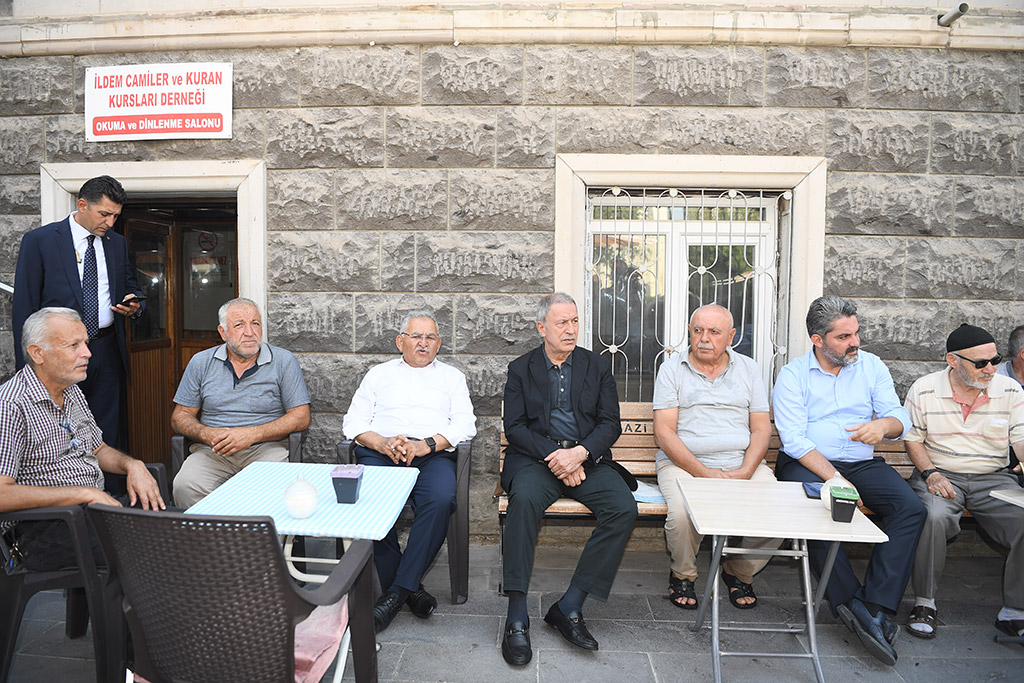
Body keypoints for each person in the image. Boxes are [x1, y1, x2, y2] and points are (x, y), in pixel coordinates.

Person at [772, 295, 925, 666]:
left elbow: (897, 416)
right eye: (843, 337)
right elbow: (794, 440)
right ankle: (848, 601)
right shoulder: (793, 375)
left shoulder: (871, 366)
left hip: (861, 461)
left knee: (911, 509)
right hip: (807, 464)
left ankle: (874, 605)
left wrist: (883, 426)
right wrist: (836, 479)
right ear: (817, 340)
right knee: (820, 510)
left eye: (856, 333)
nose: (854, 342)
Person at [500, 292, 637, 666]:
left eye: (575, 321)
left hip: (585, 460)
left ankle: (570, 606)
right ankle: (516, 614)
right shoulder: (521, 369)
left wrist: (579, 453)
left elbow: (610, 423)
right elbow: (514, 427)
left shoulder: (597, 366)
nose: (571, 329)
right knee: (524, 501)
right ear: (542, 327)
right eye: (562, 323)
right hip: (535, 460)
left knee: (623, 507)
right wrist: (556, 456)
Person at [342, 311, 476, 633]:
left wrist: (426, 445)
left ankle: (395, 594)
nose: (423, 343)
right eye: (416, 336)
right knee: (367, 500)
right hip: (382, 452)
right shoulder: (378, 374)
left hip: (430, 454)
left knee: (442, 499)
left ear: (439, 344)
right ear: (400, 341)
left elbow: (465, 425)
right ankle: (409, 589)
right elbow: (353, 424)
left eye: (430, 337)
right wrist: (383, 442)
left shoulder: (452, 378)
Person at [0, 308, 164, 571]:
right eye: (74, 345)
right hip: (44, 529)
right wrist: (84, 493)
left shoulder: (71, 390)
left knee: (187, 527)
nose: (87, 353)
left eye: (86, 343)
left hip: (91, 512)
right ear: (37, 353)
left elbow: (97, 449)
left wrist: (133, 465)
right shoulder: (11, 405)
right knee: (164, 548)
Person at [903, 323, 1024, 641]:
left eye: (995, 360)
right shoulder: (925, 388)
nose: (991, 369)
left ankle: (1015, 612)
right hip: (941, 473)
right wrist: (930, 473)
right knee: (933, 516)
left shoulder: (1010, 391)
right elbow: (913, 441)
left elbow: (1021, 440)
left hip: (994, 479)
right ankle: (924, 603)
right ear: (952, 360)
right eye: (981, 362)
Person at [653, 304, 778, 611]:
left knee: (778, 513)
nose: (704, 339)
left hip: (741, 462)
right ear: (689, 332)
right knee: (682, 514)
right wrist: (703, 472)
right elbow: (665, 433)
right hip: (684, 463)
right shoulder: (671, 368)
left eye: (714, 332)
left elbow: (761, 429)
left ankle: (738, 569)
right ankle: (682, 574)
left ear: (731, 336)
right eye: (698, 331)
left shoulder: (748, 369)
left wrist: (748, 469)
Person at [13, 176, 145, 449]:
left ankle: (109, 490)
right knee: (60, 427)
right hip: (59, 354)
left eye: (115, 216)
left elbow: (130, 285)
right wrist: (27, 366)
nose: (110, 222)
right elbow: (24, 307)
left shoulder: (116, 243)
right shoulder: (40, 241)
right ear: (82, 204)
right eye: (105, 214)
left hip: (107, 349)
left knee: (106, 426)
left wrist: (135, 306)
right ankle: (69, 488)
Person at [170, 298, 310, 508]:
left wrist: (251, 435)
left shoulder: (283, 361)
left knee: (270, 491)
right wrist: (206, 434)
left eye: (255, 323)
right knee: (185, 485)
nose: (250, 332)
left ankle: (257, 541)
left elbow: (301, 417)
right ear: (223, 332)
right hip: (213, 451)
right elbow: (180, 416)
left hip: (265, 449)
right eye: (239, 325)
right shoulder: (201, 362)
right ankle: (214, 540)